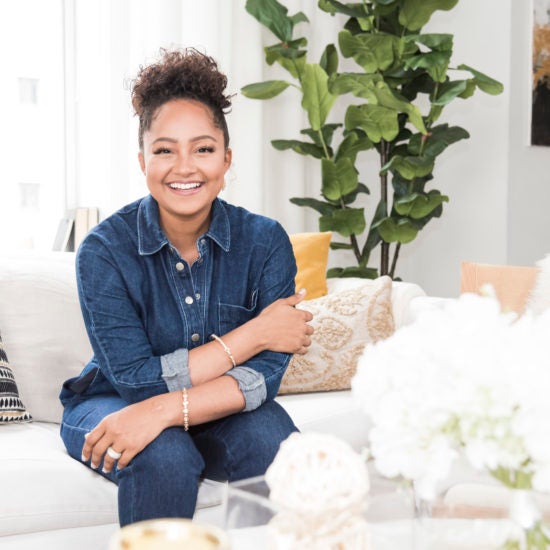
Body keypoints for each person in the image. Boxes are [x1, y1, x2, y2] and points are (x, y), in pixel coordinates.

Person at [59, 47, 314, 526]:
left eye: (203, 149)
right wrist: (257, 333)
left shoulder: (265, 241)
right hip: (110, 399)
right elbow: (136, 381)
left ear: (226, 159)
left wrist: (162, 411)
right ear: (142, 161)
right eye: (164, 150)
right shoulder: (104, 250)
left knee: (275, 439)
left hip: (216, 405)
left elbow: (265, 377)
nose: (184, 167)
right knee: (166, 455)